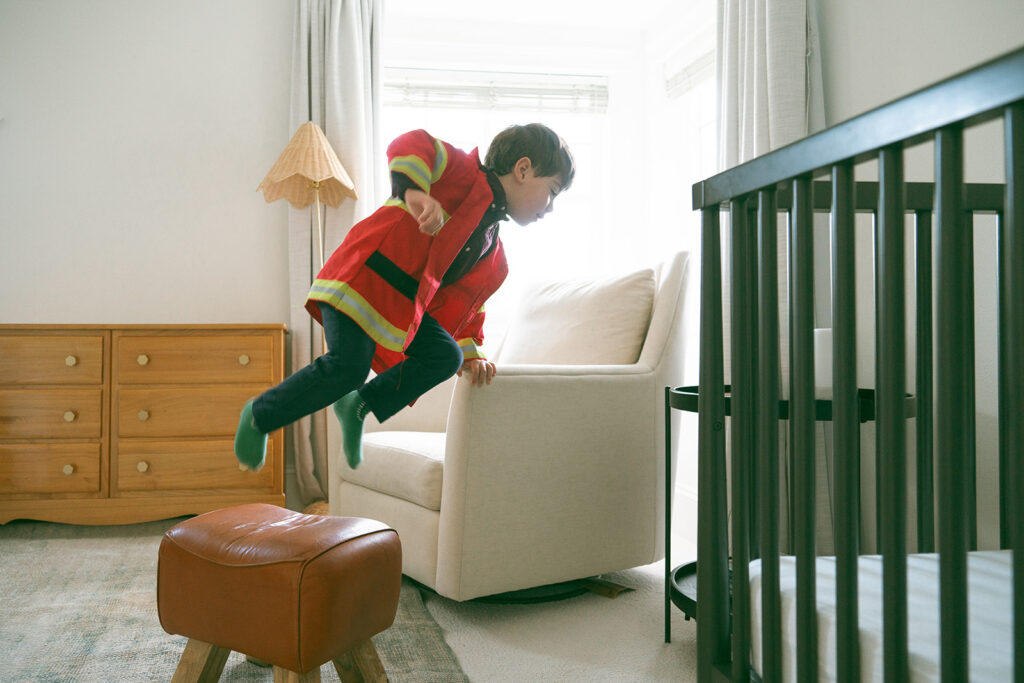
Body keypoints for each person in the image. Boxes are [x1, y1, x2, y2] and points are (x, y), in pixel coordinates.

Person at [234, 123, 575, 471]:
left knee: (445, 355)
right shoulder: (459, 173)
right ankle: (259, 415)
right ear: (523, 169)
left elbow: (467, 306)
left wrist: (471, 354)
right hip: (363, 278)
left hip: (400, 304)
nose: (549, 208)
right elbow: (412, 142)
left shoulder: (492, 252)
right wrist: (413, 191)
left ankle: (358, 405)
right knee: (349, 366)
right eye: (552, 191)